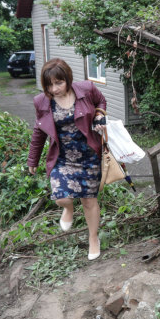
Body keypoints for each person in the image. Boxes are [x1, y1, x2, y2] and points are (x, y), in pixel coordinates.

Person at [28, 58, 107, 260]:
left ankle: (93, 238)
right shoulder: (41, 102)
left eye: (59, 83)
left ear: (68, 79)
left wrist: (99, 114)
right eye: (49, 85)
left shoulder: (87, 89)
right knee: (61, 197)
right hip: (62, 157)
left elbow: (101, 101)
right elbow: (39, 131)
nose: (54, 89)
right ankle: (68, 209)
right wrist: (32, 160)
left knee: (89, 201)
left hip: (89, 155)